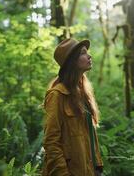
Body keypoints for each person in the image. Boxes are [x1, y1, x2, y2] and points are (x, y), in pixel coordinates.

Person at [41, 38, 103, 176]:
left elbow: (90, 138)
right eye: (83, 53)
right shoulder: (57, 95)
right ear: (72, 62)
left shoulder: (83, 94)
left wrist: (98, 167)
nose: (89, 56)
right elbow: (51, 142)